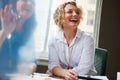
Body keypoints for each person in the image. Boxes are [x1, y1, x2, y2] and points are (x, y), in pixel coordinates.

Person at [48, 1, 97, 80]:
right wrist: (59, 72)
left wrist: (59, 72)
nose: (75, 14)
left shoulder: (88, 39)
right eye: (69, 12)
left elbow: (84, 68)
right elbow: (53, 65)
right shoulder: (53, 41)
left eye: (77, 12)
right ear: (60, 17)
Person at [0, 0, 36, 79]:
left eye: (32, 2)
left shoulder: (28, 33)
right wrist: (4, 32)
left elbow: (33, 62)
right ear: (13, 3)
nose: (29, 4)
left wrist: (30, 67)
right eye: (25, 0)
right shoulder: (2, 24)